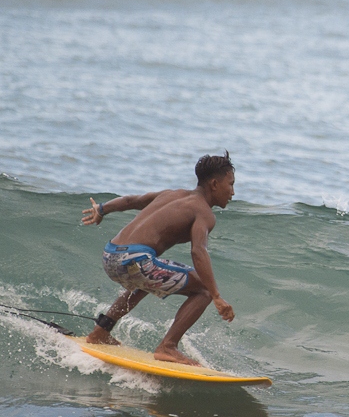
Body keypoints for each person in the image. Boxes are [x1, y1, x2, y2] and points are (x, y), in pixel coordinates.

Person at [80, 152, 237, 366]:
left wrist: (102, 209)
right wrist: (217, 297)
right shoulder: (204, 213)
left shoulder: (170, 194)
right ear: (214, 184)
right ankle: (168, 347)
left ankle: (100, 332)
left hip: (110, 255)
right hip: (135, 259)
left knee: (143, 281)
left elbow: (130, 201)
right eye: (231, 185)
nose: (233, 193)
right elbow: (198, 251)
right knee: (203, 290)